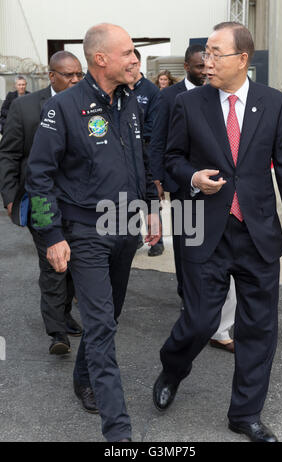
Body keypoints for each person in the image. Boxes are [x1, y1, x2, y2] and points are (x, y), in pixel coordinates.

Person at [153, 22, 282, 443]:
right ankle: (173, 368)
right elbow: (172, 159)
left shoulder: (273, 103)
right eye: (206, 53)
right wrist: (193, 177)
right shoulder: (189, 103)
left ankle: (246, 414)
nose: (207, 61)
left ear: (242, 59)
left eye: (217, 53)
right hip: (205, 232)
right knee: (200, 321)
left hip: (257, 235)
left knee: (259, 328)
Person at [26, 23, 161, 442]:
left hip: (126, 229)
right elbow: (39, 177)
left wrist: (152, 210)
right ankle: (118, 434)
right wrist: (51, 236)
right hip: (84, 231)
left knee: (110, 316)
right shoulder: (64, 108)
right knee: (101, 324)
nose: (134, 60)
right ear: (100, 58)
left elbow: (141, 162)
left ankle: (83, 377)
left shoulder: (132, 103)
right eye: (128, 53)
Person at [150, 44, 236, 351]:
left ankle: (216, 320)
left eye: (209, 64)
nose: (205, 70)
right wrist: (158, 180)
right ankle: (191, 303)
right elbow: (160, 142)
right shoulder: (169, 98)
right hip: (185, 190)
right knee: (189, 249)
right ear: (187, 67)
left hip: (221, 194)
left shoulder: (220, 94)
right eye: (200, 66)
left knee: (218, 251)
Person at [0, 51, 84, 355]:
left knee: (74, 262)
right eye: (68, 75)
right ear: (52, 76)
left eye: (79, 75)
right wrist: (10, 197)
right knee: (52, 264)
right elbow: (8, 154)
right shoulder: (24, 107)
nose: (75, 80)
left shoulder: (87, 105)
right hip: (38, 199)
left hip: (77, 201)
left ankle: (63, 314)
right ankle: (57, 331)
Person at [129, 48, 164, 256]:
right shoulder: (120, 88)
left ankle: (156, 241)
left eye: (133, 64)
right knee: (130, 195)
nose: (129, 67)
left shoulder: (150, 91)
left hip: (147, 151)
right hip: (126, 153)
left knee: (150, 195)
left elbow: (154, 125)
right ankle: (134, 238)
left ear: (139, 64)